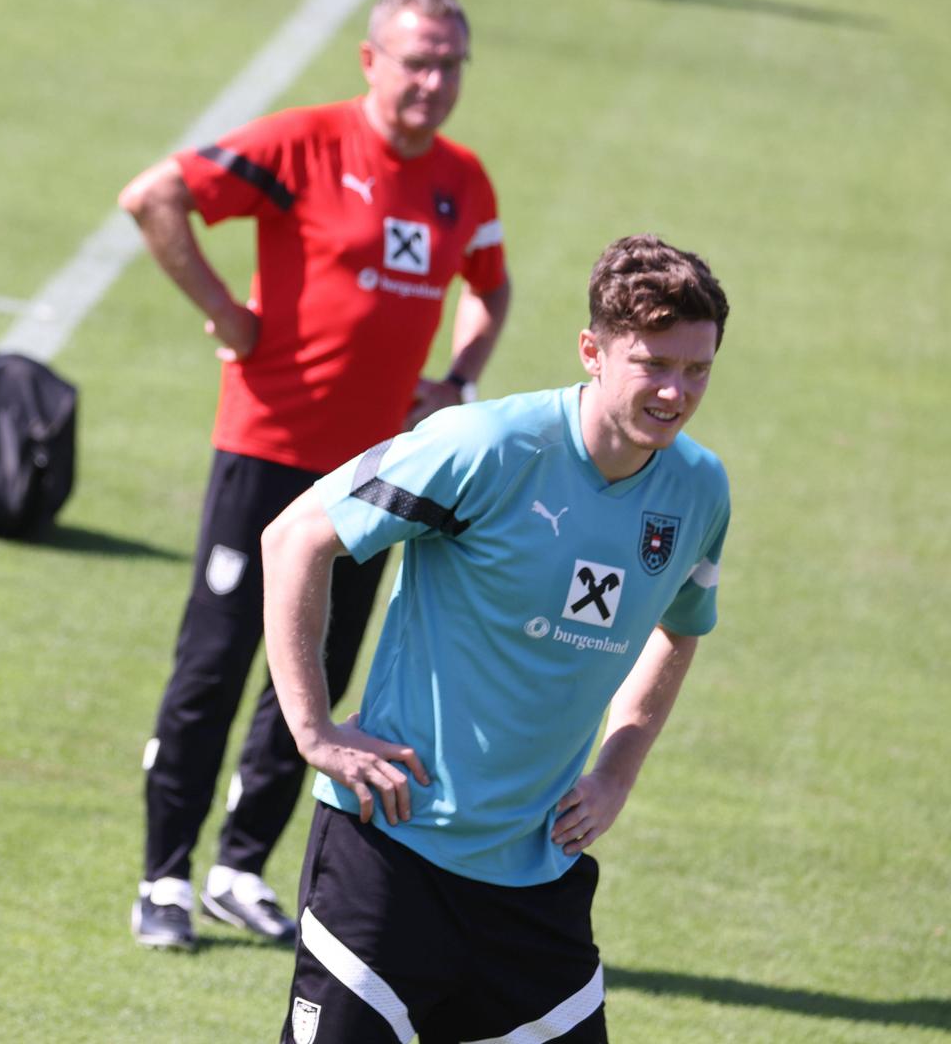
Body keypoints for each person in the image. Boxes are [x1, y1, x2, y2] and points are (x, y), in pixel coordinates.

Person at [118, 0, 512, 950]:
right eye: (417, 62)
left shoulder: (463, 178)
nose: (434, 83)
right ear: (372, 61)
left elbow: (491, 285)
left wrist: (459, 378)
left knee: (317, 679)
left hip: (378, 475)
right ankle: (163, 877)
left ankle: (239, 868)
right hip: (265, 445)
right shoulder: (302, 142)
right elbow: (154, 197)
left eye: (450, 66)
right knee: (214, 662)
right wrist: (225, 312)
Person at [261, 235, 730, 1042]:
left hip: (534, 878)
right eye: (653, 364)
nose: (675, 392)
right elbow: (297, 536)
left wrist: (617, 771)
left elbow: (679, 628)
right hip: (390, 858)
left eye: (697, 370)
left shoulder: (699, 489)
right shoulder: (483, 446)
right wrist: (313, 730)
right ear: (592, 351)